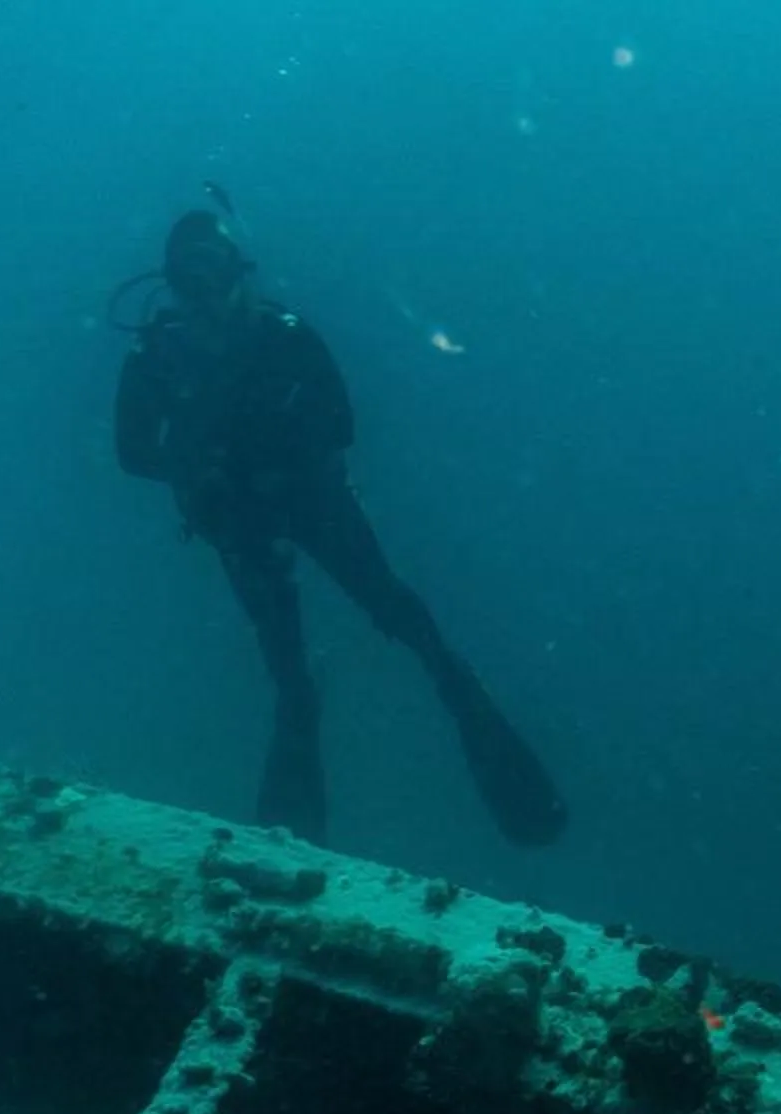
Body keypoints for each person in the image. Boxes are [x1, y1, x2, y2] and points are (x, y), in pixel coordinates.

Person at [112, 202, 566, 849]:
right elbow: (132, 453)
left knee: (394, 607)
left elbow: (341, 423)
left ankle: (455, 688)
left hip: (312, 503)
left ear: (241, 270)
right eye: (187, 275)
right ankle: (301, 728)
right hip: (236, 519)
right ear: (169, 280)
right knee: (285, 659)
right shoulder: (155, 356)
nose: (202, 289)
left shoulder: (286, 336)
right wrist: (200, 472)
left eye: (211, 268)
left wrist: (276, 464)